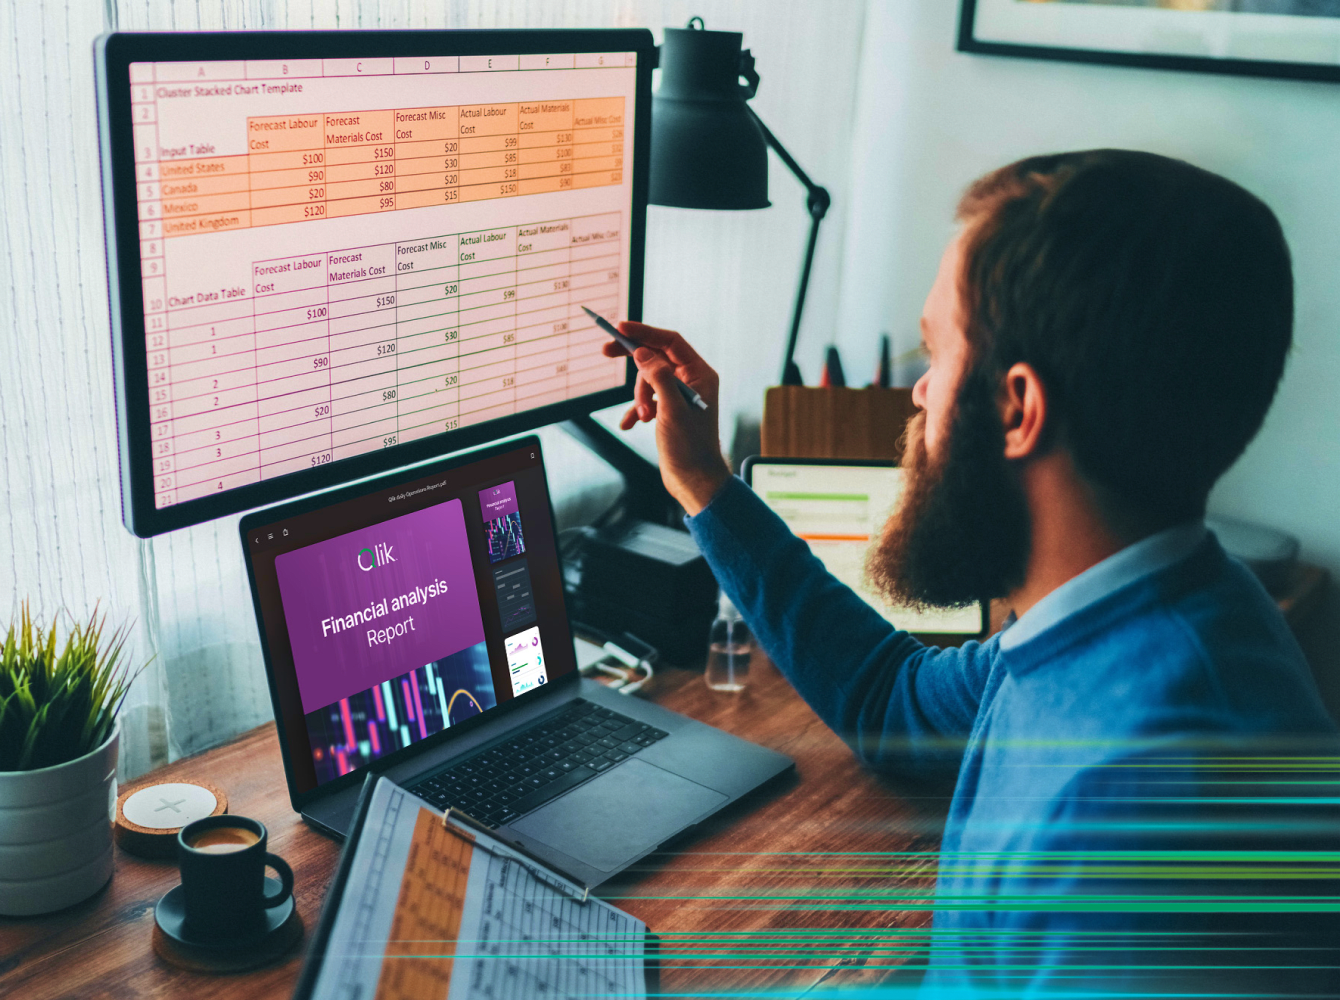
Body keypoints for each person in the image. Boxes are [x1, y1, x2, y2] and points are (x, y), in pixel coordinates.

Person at [605, 150, 1340, 996]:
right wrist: (706, 485)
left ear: (1015, 409)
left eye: (936, 357)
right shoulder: (1153, 610)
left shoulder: (1130, 818)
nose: (916, 395)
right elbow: (892, 703)